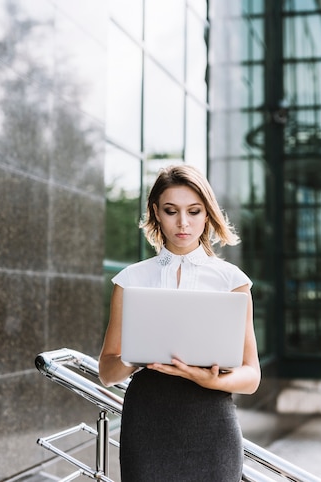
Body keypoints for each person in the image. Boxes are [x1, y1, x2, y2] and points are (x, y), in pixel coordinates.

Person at [99, 164, 261, 481]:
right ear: (156, 213)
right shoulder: (131, 279)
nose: (183, 223)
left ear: (207, 214)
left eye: (194, 211)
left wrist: (211, 381)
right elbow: (107, 371)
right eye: (171, 211)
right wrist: (137, 356)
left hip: (211, 418)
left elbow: (251, 375)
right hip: (148, 421)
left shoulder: (233, 281)